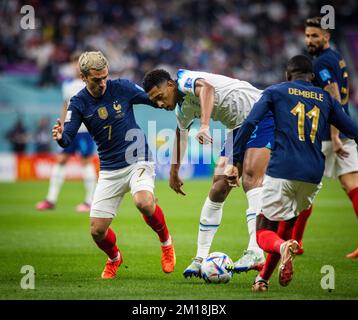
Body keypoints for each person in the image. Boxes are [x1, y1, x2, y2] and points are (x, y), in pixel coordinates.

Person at [224, 55, 358, 292]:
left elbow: (249, 123)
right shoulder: (325, 97)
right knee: (285, 229)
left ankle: (283, 249)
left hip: (283, 169)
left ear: (288, 75)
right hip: (313, 175)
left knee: (264, 231)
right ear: (313, 77)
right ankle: (263, 279)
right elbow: (352, 129)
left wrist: (234, 159)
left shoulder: (275, 91)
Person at [51, 51, 175, 279]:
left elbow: (153, 99)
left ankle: (166, 243)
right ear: (83, 77)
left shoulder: (122, 87)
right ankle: (115, 258)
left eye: (105, 77)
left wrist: (166, 100)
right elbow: (68, 137)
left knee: (144, 202)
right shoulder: (78, 103)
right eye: (96, 80)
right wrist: (60, 136)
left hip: (138, 157)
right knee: (97, 231)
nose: (102, 83)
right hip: (110, 168)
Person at [142, 68, 275, 277]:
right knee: (219, 187)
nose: (160, 104)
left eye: (160, 97)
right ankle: (200, 257)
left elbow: (207, 87)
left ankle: (256, 251)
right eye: (155, 102)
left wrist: (204, 125)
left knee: (250, 178)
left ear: (170, 84)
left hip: (262, 112)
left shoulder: (185, 79)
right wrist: (173, 172)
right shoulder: (181, 110)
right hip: (239, 126)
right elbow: (181, 134)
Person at [293, 16, 358, 259]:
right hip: (344, 128)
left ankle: (295, 242)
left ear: (326, 36)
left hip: (328, 135)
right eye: (307, 35)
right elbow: (345, 88)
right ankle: (296, 242)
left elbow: (331, 93)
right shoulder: (338, 57)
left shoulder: (320, 62)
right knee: (351, 184)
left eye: (314, 36)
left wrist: (333, 133)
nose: (309, 40)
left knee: (305, 187)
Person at [36, 54, 97, 212]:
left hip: (84, 130)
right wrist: (62, 125)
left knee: (85, 162)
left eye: (78, 64)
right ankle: (50, 199)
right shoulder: (67, 85)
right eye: (73, 64)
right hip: (70, 130)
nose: (75, 67)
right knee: (61, 159)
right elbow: (65, 106)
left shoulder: (90, 83)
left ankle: (90, 201)